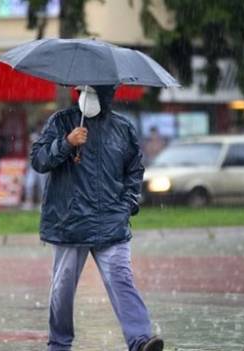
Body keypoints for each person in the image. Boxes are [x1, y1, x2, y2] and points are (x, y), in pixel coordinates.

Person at [31, 85, 163, 351]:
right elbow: (39, 160)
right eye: (82, 90)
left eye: (93, 91)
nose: (86, 96)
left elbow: (134, 170)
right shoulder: (61, 122)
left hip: (111, 222)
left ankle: (140, 340)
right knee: (62, 288)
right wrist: (66, 143)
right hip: (69, 222)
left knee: (121, 278)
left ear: (107, 93)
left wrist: (126, 205)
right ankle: (59, 343)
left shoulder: (122, 128)